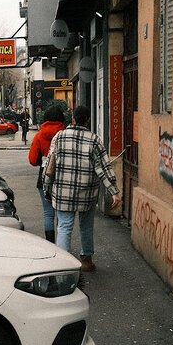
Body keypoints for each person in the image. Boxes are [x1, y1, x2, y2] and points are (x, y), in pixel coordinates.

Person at [45, 104, 121, 272]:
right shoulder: (94, 140)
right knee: (86, 226)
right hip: (86, 192)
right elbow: (103, 167)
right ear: (88, 120)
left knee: (64, 226)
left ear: (72, 118)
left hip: (63, 191)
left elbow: (49, 165)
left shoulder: (59, 136)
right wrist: (114, 191)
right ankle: (86, 260)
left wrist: (46, 189)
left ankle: (63, 266)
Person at [28, 104, 67, 242]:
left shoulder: (39, 136)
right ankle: (62, 243)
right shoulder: (65, 135)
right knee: (61, 213)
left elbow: (32, 160)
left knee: (48, 213)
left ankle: (50, 242)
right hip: (63, 176)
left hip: (44, 175)